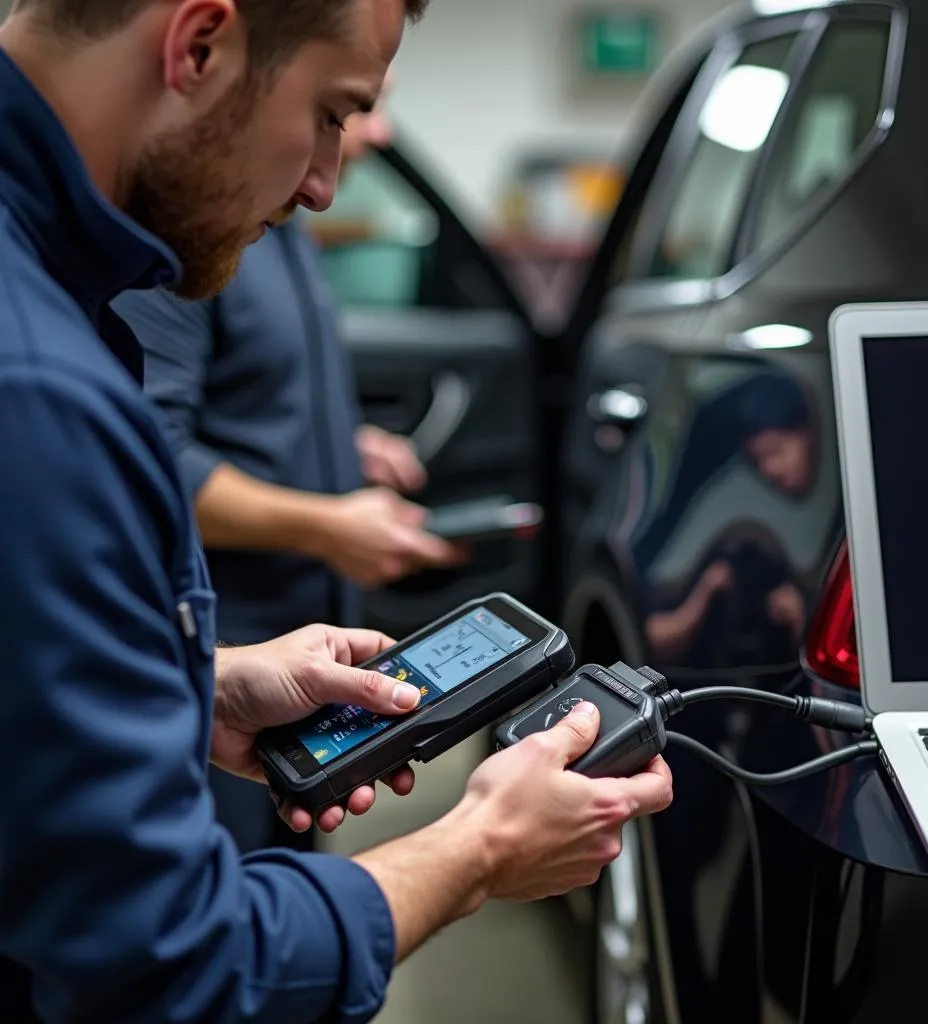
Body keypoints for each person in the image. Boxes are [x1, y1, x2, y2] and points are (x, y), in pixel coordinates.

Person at [0, 2, 673, 1022]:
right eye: (330, 110)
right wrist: (480, 846)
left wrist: (201, 685)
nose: (323, 180)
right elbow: (173, 968)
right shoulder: (40, 388)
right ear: (199, 44)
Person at [114, 71, 459, 856]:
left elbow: (250, 396)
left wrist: (344, 442)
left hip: (293, 667)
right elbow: (152, 456)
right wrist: (330, 526)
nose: (374, 136)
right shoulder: (199, 237)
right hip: (224, 646)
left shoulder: (284, 231)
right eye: (346, 110)